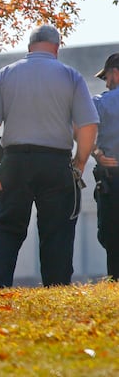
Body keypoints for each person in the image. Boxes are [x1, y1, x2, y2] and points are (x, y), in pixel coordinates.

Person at [0, 24, 99, 288]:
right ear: (57, 47)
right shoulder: (71, 76)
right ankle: (56, 289)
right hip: (56, 162)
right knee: (57, 231)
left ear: (29, 47)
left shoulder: (6, 74)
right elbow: (89, 125)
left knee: (7, 227)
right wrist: (78, 164)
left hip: (15, 161)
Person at [91, 53, 119, 280]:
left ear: (116, 73)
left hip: (113, 176)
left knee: (112, 233)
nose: (106, 83)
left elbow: (80, 129)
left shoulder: (100, 102)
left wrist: (96, 152)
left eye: (107, 77)